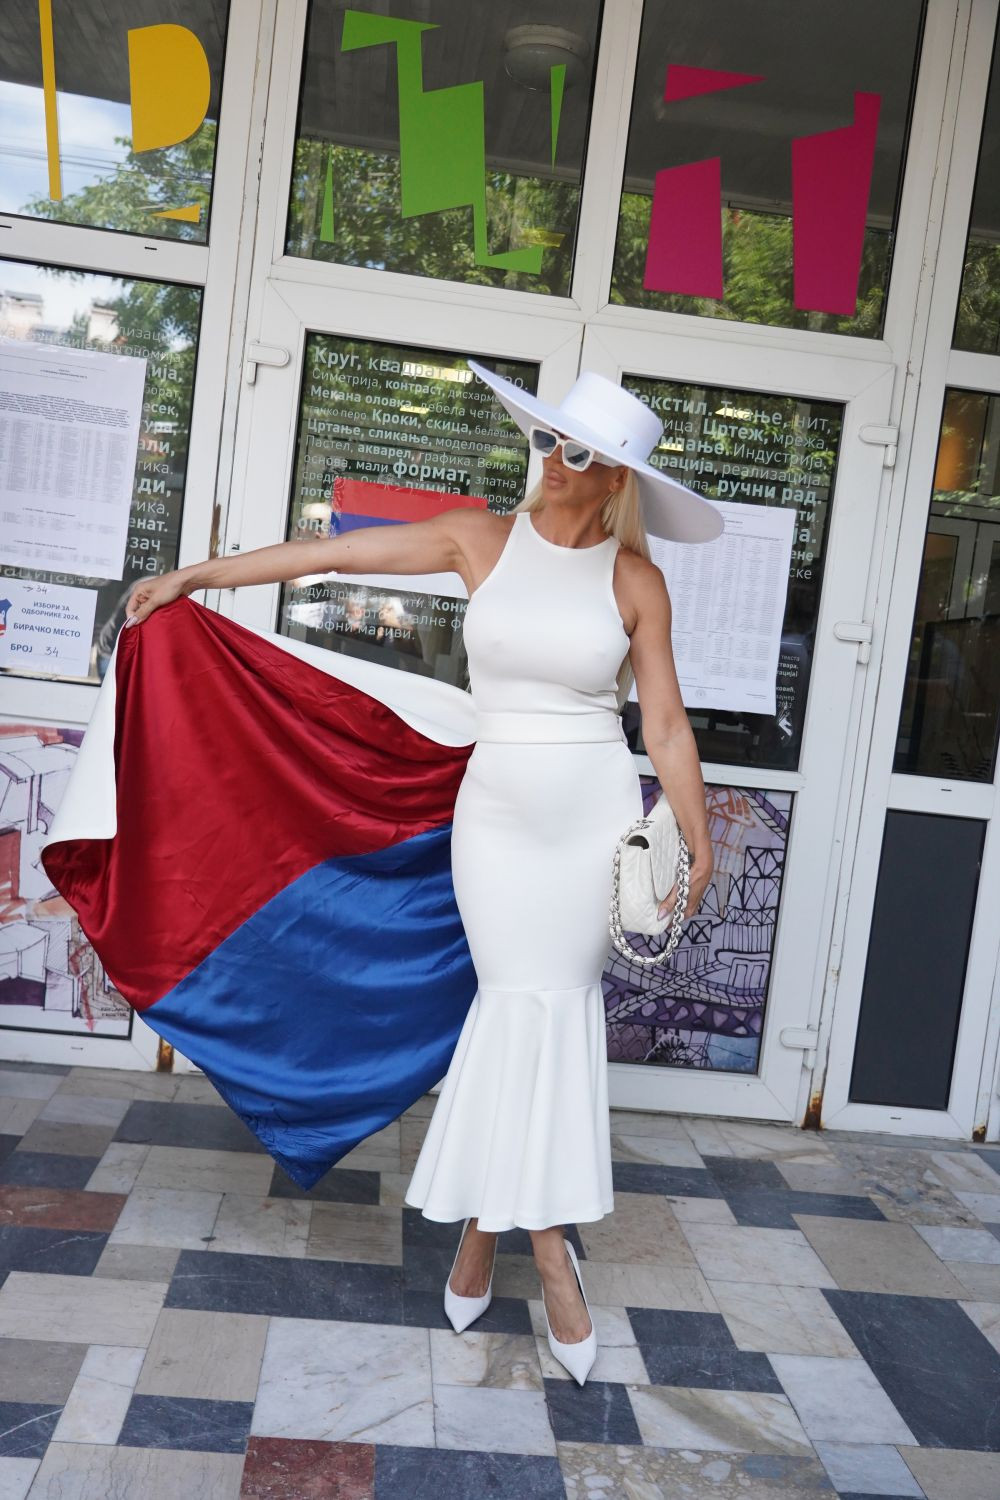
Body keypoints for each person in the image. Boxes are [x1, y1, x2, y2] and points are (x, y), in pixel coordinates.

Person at [122, 361, 722, 1386]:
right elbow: (330, 554)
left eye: (578, 451)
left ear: (616, 476)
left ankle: (486, 1238)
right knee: (512, 1006)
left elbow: (661, 721)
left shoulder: (635, 582)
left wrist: (697, 837)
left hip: (589, 817)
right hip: (496, 820)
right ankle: (549, 1256)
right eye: (546, 439)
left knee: (551, 1012)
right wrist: (195, 577)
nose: (553, 461)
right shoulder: (478, 538)